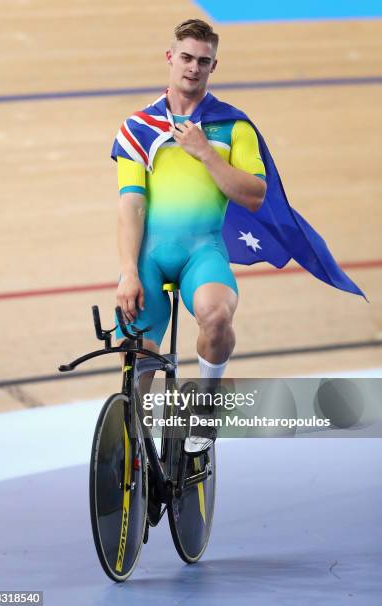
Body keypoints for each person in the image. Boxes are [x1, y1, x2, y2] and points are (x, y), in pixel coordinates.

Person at [113, 19, 267, 453]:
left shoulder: (233, 127)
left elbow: (254, 195)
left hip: (204, 251)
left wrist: (204, 152)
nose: (193, 68)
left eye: (203, 61)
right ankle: (134, 448)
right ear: (170, 58)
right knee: (138, 355)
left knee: (217, 318)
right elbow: (131, 203)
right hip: (151, 255)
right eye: (186, 58)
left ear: (214, 66)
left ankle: (206, 406)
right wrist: (128, 271)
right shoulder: (137, 127)